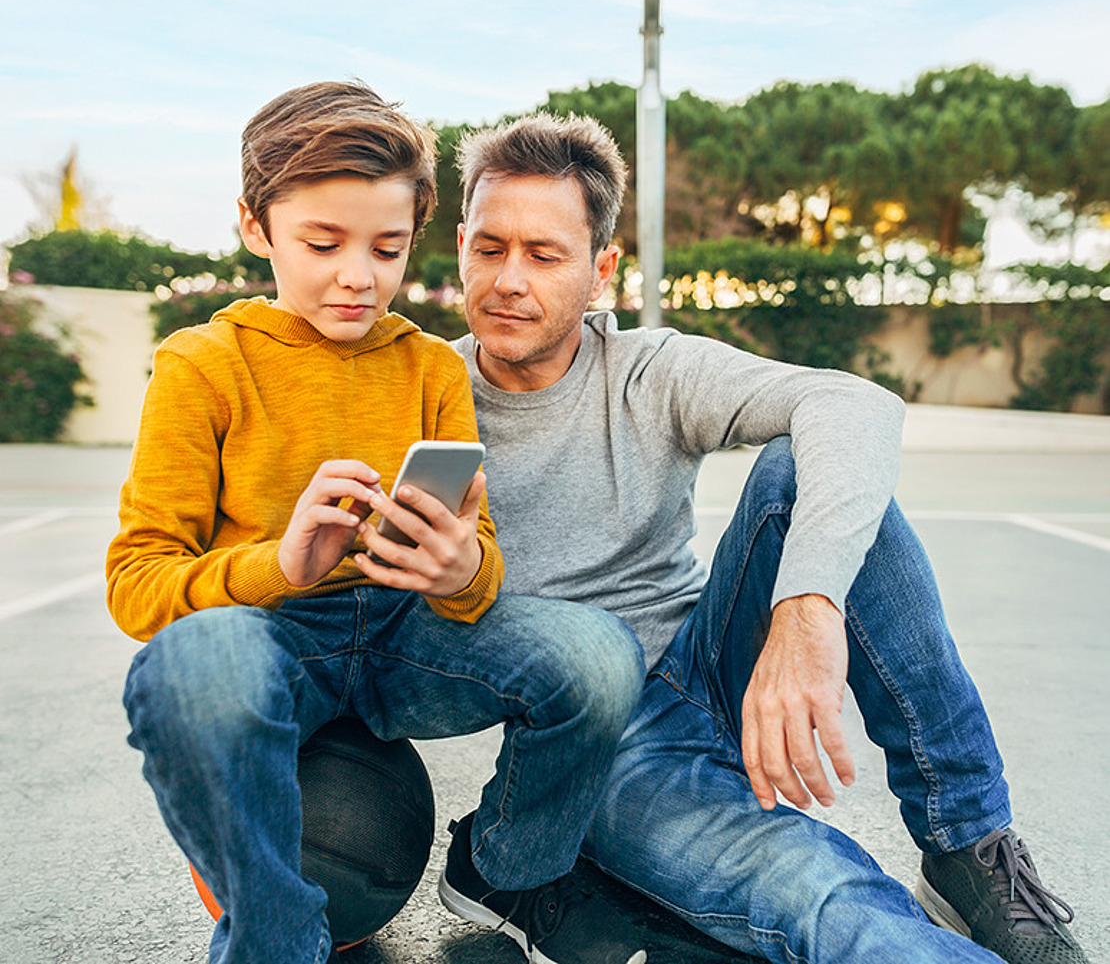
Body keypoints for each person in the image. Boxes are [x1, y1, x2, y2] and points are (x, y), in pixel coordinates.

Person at [449, 111, 1090, 964]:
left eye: (544, 253)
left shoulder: (650, 369)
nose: (508, 280)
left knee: (801, 467)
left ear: (602, 271)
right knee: (829, 902)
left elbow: (854, 404)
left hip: (716, 658)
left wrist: (806, 604)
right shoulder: (425, 393)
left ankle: (967, 841)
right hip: (608, 743)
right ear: (459, 243)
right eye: (490, 248)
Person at [107, 82, 649, 964]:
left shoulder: (431, 369)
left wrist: (459, 568)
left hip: (405, 635)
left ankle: (513, 874)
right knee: (189, 666)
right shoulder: (201, 365)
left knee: (596, 655)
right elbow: (138, 585)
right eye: (322, 243)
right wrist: (280, 563)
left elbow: (482, 576)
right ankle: (274, 939)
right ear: (256, 227)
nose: (357, 275)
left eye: (387, 248)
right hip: (272, 637)